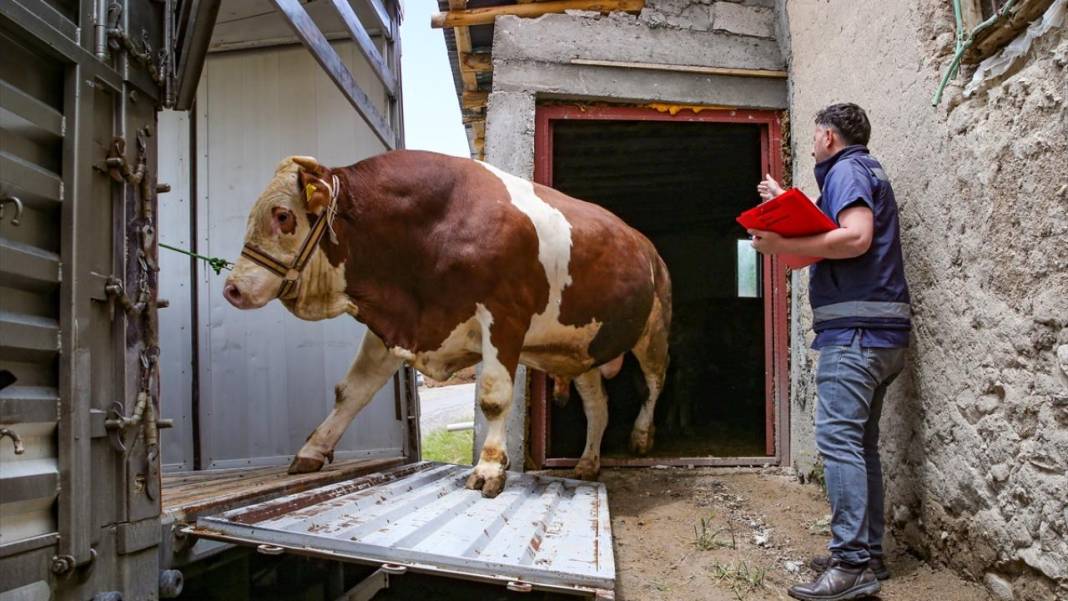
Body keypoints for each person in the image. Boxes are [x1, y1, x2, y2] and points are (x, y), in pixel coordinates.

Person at [750, 103, 911, 601]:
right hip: (881, 336)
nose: (814, 143)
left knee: (840, 444)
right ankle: (869, 551)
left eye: (815, 136)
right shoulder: (858, 171)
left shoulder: (847, 169)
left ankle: (852, 565)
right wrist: (787, 209)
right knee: (860, 447)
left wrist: (778, 243)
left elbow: (856, 237)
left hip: (856, 338)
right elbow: (826, 235)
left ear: (826, 137)